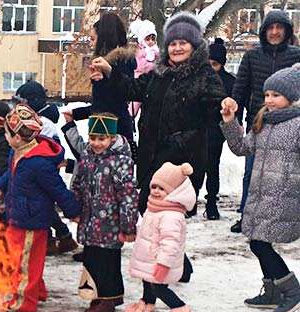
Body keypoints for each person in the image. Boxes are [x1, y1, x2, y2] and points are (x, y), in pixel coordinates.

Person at [89, 11, 225, 218]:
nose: (177, 48)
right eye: (173, 43)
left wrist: (225, 107)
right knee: (152, 213)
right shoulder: (158, 73)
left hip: (180, 160)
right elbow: (132, 89)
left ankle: (170, 251)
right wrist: (110, 71)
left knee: (165, 214)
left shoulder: (204, 75)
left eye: (183, 43)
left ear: (194, 46)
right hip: (152, 154)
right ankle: (168, 252)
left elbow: (215, 110)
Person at [221, 64, 300, 312]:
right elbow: (241, 148)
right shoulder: (263, 121)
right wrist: (230, 122)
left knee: (260, 243)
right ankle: (272, 290)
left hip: (283, 194)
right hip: (259, 192)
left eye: (276, 95)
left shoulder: (298, 124)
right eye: (267, 95)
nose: (269, 100)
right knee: (257, 241)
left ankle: (292, 290)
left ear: (292, 96)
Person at [0, 105, 80, 312]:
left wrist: (73, 210)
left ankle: (24, 300)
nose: (5, 136)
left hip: (31, 220)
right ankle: (37, 291)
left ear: (18, 137)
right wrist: (1, 185)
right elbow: (11, 173)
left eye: (7, 133)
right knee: (26, 259)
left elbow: (57, 189)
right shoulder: (18, 152)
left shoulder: (39, 163)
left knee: (24, 262)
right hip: (18, 215)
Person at [230, 10, 300, 233]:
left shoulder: (297, 55)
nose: (275, 32)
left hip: (290, 125)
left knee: (286, 176)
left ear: (287, 31)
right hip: (258, 123)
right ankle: (246, 215)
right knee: (252, 173)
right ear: (264, 31)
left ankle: (287, 219)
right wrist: (237, 117)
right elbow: (240, 89)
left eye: (280, 27)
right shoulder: (252, 56)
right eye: (271, 28)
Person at [70, 113, 138, 312]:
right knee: (92, 259)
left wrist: (128, 226)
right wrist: (74, 208)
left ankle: (108, 299)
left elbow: (128, 195)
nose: (97, 143)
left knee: (107, 260)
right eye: (93, 138)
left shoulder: (121, 161)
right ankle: (100, 294)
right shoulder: (87, 158)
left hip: (111, 222)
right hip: (90, 220)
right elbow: (78, 184)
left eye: (102, 139)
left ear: (112, 138)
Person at [125, 162, 197, 312]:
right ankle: (147, 306)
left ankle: (182, 311)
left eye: (162, 189)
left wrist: (164, 264)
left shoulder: (171, 215)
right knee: (147, 280)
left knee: (158, 287)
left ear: (175, 193)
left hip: (161, 262)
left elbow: (170, 243)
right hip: (151, 259)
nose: (156, 191)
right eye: (154, 186)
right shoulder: (156, 208)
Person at [12, 80, 77, 255]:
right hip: (38, 168)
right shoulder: (38, 119)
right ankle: (63, 236)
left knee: (41, 205)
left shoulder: (43, 123)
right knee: (42, 204)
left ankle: (53, 238)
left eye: (22, 102)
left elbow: (46, 147)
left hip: (41, 169)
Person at [73, 12, 136, 142]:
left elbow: (110, 104)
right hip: (106, 130)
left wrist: (107, 76)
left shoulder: (118, 63)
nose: (91, 44)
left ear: (103, 38)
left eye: (93, 39)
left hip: (112, 133)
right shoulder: (116, 61)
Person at [194, 37, 235, 221]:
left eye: (215, 64)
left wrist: (229, 126)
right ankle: (190, 201)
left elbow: (235, 107)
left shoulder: (229, 82)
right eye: (208, 63)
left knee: (212, 167)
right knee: (193, 167)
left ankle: (211, 202)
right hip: (197, 129)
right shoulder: (198, 78)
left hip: (216, 130)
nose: (211, 67)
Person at [128, 18, 159, 119]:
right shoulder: (140, 51)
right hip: (139, 79)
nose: (150, 42)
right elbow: (138, 66)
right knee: (135, 105)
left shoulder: (156, 51)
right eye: (147, 39)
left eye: (152, 39)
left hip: (152, 84)